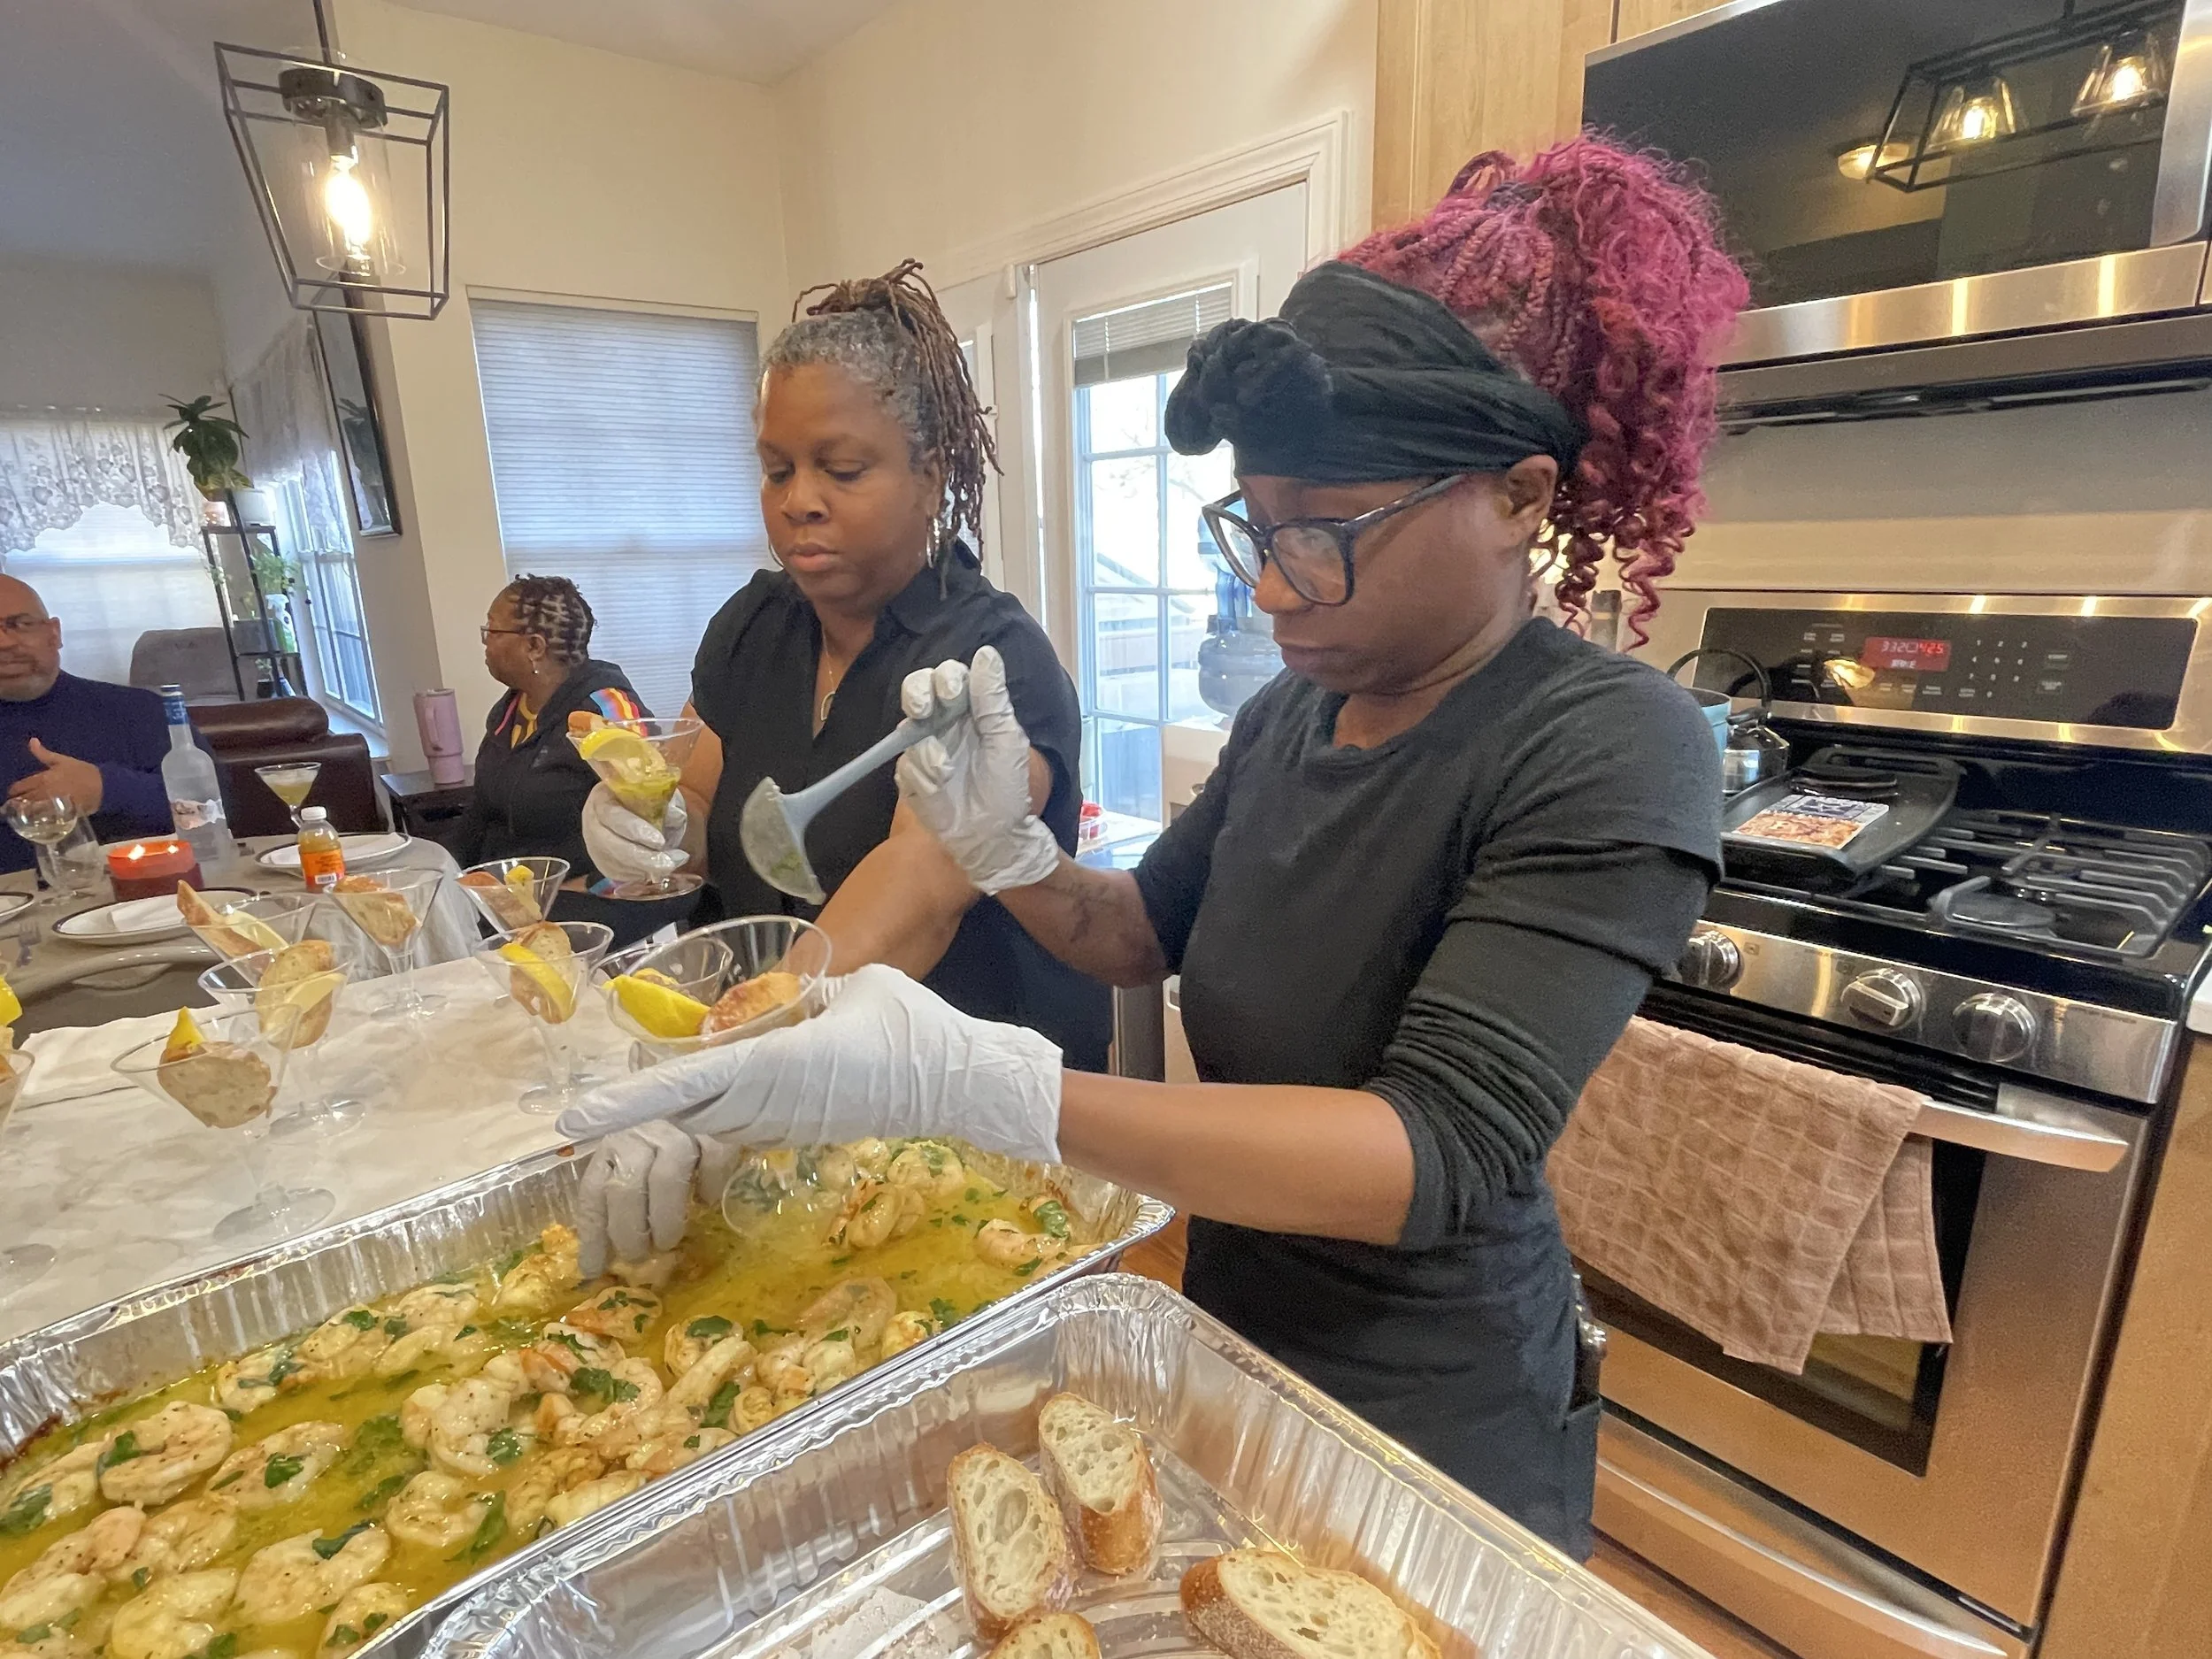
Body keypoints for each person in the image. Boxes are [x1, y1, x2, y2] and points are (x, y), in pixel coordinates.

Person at [559, 140, 1747, 1557]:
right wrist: (1008, 847)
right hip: (1233, 1327)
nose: (1267, 578)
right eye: (1253, 523)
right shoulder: (1299, 711)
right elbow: (1135, 932)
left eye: (1323, 532)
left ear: (1521, 498)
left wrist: (988, 1085)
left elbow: (1428, 1149)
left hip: (1432, 1408)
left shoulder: (1609, 741)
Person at [579, 261, 1110, 1060]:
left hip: (960, 1090)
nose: (799, 500)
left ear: (930, 481)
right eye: (777, 469)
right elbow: (694, 791)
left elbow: (920, 884)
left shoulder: (993, 663)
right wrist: (649, 827)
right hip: (790, 1075)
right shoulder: (753, 627)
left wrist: (762, 1020)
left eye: (843, 469)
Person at [447, 574, 649, 884]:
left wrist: (590, 887)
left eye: (492, 630)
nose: (485, 641)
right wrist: (443, 878)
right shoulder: (509, 711)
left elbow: (649, 820)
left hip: (586, 892)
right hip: (508, 889)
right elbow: (480, 814)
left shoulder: (607, 711)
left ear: (534, 646)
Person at [0, 574, 172, 872]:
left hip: (146, 893)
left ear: (54, 633)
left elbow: (217, 809)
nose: (3, 642)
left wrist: (108, 788)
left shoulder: (139, 709)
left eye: (18, 624)